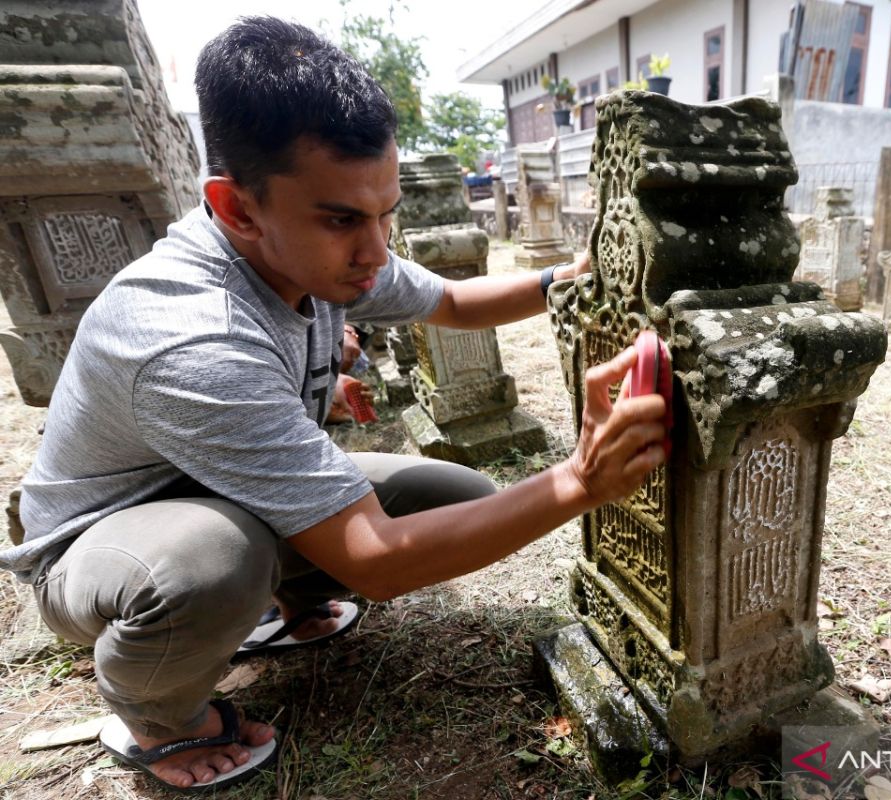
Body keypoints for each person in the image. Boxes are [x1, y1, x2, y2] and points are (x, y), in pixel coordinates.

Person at [0, 17, 666, 793]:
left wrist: (575, 278)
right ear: (238, 207)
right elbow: (378, 564)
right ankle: (154, 712)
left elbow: (451, 299)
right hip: (98, 547)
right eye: (346, 219)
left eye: (385, 215)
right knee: (212, 565)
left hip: (211, 493)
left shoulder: (313, 247)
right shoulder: (192, 336)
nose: (377, 249)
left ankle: (269, 603)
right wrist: (581, 482)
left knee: (456, 498)